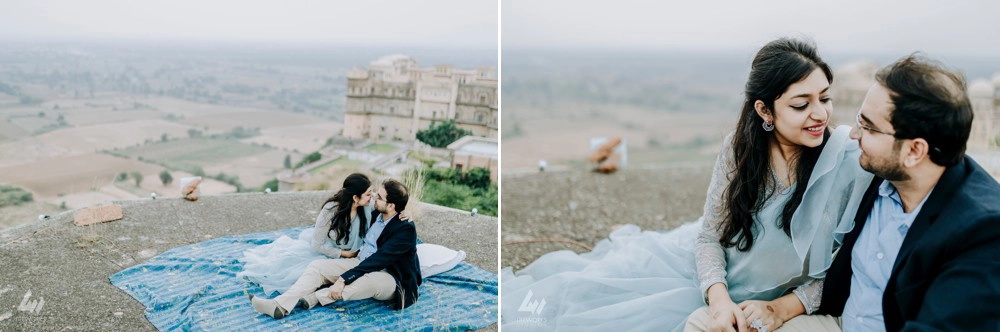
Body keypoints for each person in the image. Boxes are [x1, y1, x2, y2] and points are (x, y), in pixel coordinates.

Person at [501, 38, 872, 332]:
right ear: (764, 111)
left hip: (784, 304)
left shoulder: (849, 162)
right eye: (801, 104)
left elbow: (846, 269)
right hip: (715, 282)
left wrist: (780, 308)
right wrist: (719, 300)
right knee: (585, 299)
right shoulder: (738, 152)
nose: (820, 114)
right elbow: (710, 237)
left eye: (825, 98)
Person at [789, 54, 1000, 331]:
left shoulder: (982, 230)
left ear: (914, 151)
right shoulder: (878, 175)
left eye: (868, 127)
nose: (854, 134)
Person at [249, 179, 421, 318]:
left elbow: (380, 259)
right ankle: (279, 305)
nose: (374, 197)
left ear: (391, 206)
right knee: (318, 267)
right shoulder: (376, 213)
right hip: (362, 262)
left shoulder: (405, 229)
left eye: (380, 196)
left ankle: (316, 297)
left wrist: (343, 279)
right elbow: (352, 200)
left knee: (364, 283)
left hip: (391, 276)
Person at [238, 173, 380, 295]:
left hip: (353, 257)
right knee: (300, 278)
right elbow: (317, 245)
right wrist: (344, 254)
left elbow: (390, 206)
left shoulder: (368, 206)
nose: (372, 197)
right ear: (355, 197)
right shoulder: (331, 210)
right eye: (368, 194)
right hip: (329, 252)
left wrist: (403, 213)